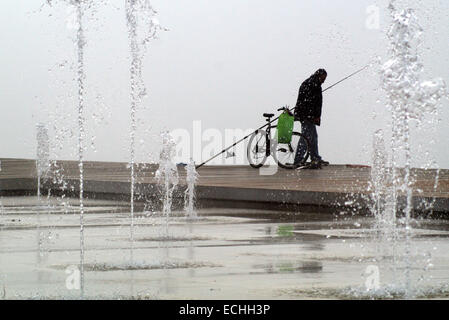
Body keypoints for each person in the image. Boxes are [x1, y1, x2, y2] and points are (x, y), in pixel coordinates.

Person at [293, 69, 329, 169]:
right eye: (323, 78)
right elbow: (314, 103)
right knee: (306, 138)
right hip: (307, 116)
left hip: (306, 115)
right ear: (319, 75)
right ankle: (298, 160)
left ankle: (315, 158)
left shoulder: (309, 83)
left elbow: (308, 101)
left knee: (313, 137)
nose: (324, 81)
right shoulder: (313, 85)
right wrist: (314, 116)